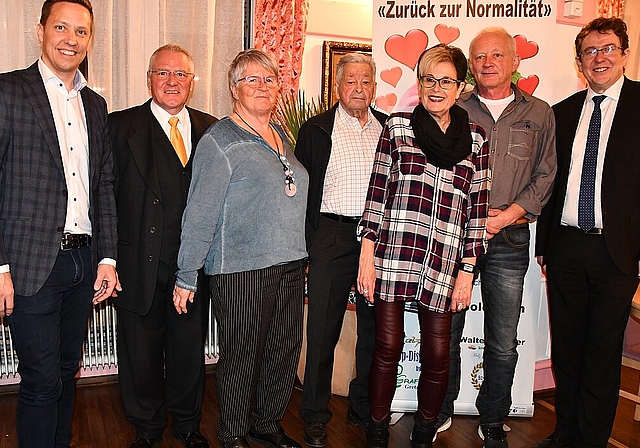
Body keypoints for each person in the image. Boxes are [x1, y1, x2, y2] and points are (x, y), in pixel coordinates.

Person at [172, 49, 309, 448]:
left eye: (269, 79)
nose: (262, 87)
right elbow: (199, 213)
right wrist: (186, 274)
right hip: (240, 269)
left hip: (288, 263)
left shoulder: (280, 133)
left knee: (284, 350)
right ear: (234, 89)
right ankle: (232, 433)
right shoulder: (220, 140)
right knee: (242, 356)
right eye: (251, 79)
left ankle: (267, 424)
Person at [357, 44, 490, 448]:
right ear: (420, 83)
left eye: (445, 80)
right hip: (394, 256)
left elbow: (478, 210)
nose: (436, 87)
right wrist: (367, 255)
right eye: (429, 79)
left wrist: (468, 271)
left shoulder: (477, 140)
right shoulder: (397, 128)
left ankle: (423, 435)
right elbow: (376, 193)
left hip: (445, 261)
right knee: (387, 346)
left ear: (461, 87)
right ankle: (377, 433)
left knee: (437, 355)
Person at [0, 0, 120, 446]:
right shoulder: (9, 91)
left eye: (82, 31)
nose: (71, 39)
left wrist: (107, 259)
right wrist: (0, 268)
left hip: (83, 263)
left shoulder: (96, 104)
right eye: (61, 28)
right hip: (30, 266)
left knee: (68, 372)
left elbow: (103, 184)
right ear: (40, 31)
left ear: (90, 39)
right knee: (40, 380)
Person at [435, 27, 557, 448]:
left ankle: (492, 420)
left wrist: (504, 217)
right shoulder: (456, 106)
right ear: (471, 64)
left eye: (497, 55)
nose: (488, 63)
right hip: (456, 237)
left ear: (514, 62)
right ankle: (441, 410)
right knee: (445, 331)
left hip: (511, 239)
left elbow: (545, 176)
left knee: (503, 341)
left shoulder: (539, 112)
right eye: (480, 56)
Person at [534, 17, 640, 448]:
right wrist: (545, 246)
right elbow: (549, 182)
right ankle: (566, 432)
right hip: (566, 248)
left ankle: (592, 439)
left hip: (617, 253)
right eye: (591, 52)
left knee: (602, 352)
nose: (600, 58)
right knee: (568, 349)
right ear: (579, 62)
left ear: (624, 53)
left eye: (608, 48)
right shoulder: (562, 112)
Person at [109, 44, 217, 448]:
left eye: (181, 75)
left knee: (189, 352)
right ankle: (147, 427)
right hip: (136, 264)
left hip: (193, 267)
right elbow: (104, 194)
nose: (172, 82)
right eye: (163, 73)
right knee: (140, 355)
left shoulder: (212, 130)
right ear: (149, 78)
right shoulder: (119, 127)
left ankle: (188, 425)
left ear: (192, 81)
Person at [296, 52, 386, 448]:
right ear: (337, 86)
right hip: (331, 238)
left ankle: (361, 406)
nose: (359, 88)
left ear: (374, 87)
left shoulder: (388, 130)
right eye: (351, 81)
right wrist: (310, 243)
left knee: (374, 332)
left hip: (376, 243)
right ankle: (315, 415)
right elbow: (300, 191)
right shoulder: (317, 129)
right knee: (322, 333)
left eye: (366, 81)